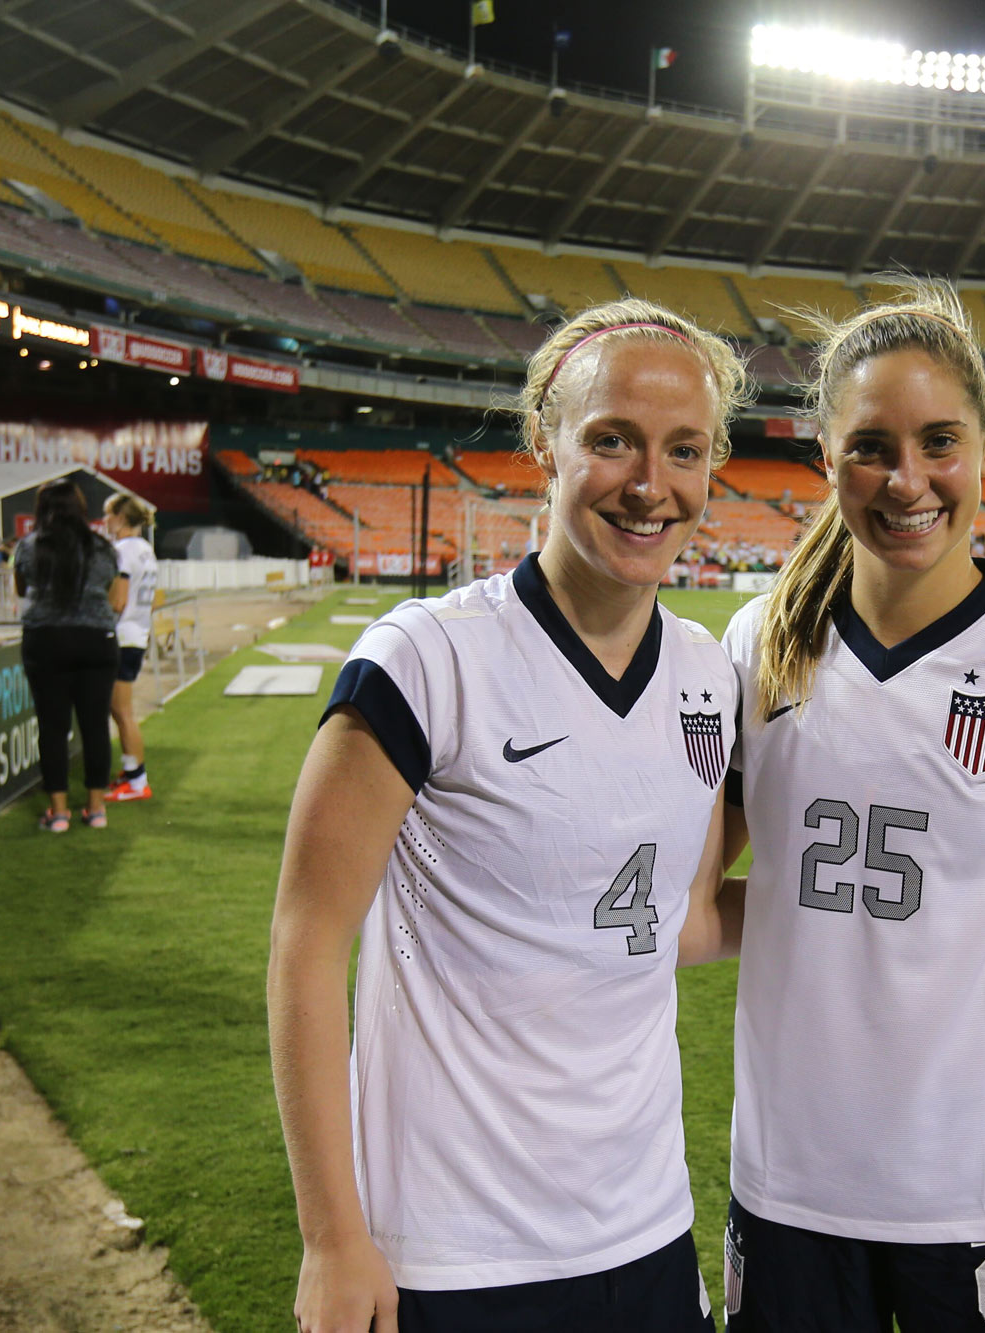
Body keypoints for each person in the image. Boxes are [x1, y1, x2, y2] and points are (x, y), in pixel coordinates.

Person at [268, 299, 750, 1333]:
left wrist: (896, 916)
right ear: (545, 440)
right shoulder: (427, 660)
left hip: (646, 1223)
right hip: (454, 1249)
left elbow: (679, 921)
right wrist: (331, 1237)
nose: (648, 485)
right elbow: (307, 943)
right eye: (610, 439)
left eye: (684, 450)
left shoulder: (709, 678)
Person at [688, 281, 985, 1333]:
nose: (907, 481)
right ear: (822, 457)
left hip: (977, 1189)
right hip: (788, 1180)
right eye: (869, 448)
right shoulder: (759, 644)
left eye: (938, 441)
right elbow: (685, 901)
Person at [13, 481, 126, 832]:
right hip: (95, 639)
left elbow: (21, 587)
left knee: (51, 727)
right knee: (95, 726)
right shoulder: (103, 548)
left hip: (45, 640)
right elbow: (110, 589)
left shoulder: (29, 546)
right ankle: (96, 809)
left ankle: (58, 812)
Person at [103, 493, 158, 802]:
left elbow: (118, 600)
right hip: (137, 633)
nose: (105, 521)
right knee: (121, 710)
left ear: (121, 517)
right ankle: (131, 773)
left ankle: (137, 781)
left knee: (122, 711)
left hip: (123, 635)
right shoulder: (146, 550)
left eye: (108, 515)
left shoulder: (122, 550)